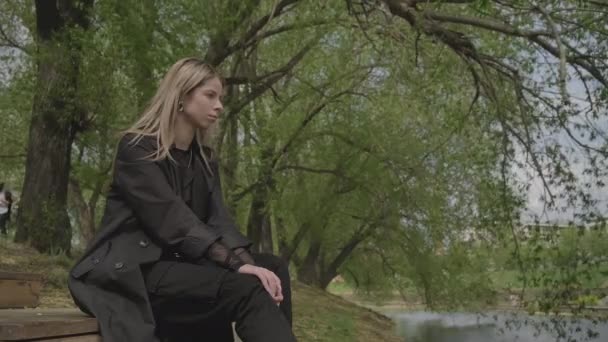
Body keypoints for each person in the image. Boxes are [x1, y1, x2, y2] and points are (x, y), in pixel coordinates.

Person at [68, 57, 296, 342]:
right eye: (210, 95)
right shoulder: (137, 149)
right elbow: (173, 220)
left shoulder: (203, 160)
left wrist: (250, 264)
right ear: (181, 96)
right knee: (245, 286)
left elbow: (219, 221)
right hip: (138, 269)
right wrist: (236, 267)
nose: (219, 106)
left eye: (220, 97)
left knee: (272, 269)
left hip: (183, 265)